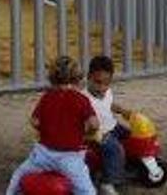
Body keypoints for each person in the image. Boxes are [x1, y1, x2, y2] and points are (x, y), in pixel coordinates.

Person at [6, 56, 99, 195]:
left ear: (52, 78)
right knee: (87, 191)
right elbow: (94, 123)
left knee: (18, 176)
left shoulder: (47, 97)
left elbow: (34, 121)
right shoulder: (81, 99)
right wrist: (89, 132)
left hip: (43, 155)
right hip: (70, 158)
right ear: (77, 78)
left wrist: (45, 128)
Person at [84, 56, 133, 195]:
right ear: (89, 77)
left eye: (106, 83)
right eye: (98, 82)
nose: (102, 87)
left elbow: (109, 105)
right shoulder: (84, 99)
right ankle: (108, 182)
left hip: (113, 125)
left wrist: (123, 111)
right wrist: (89, 133)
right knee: (115, 148)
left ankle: (128, 164)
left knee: (132, 136)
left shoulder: (107, 92)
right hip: (97, 134)